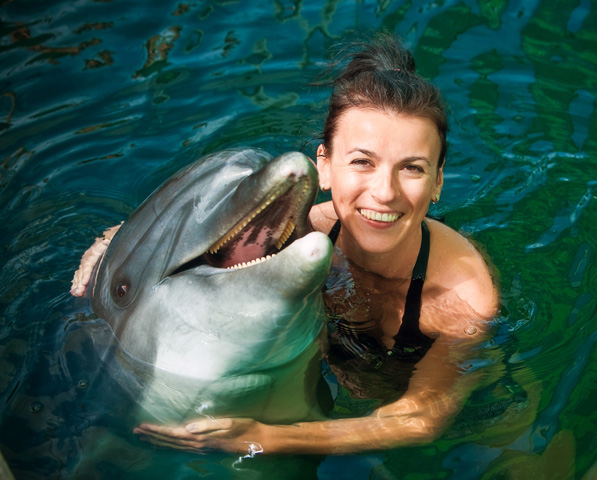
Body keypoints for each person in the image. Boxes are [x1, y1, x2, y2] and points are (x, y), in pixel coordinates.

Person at [71, 34, 499, 456]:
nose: (384, 192)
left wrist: (265, 438)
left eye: (412, 168)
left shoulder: (464, 295)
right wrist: (106, 245)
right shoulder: (307, 224)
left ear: (438, 181)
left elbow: (420, 419)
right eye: (361, 162)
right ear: (324, 167)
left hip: (452, 412)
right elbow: (189, 222)